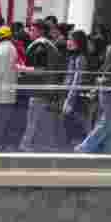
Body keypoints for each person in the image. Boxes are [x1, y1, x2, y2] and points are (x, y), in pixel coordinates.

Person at [19, 20, 64, 152]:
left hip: (39, 90)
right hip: (46, 89)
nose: (30, 33)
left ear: (40, 31)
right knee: (41, 121)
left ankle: (26, 145)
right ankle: (41, 146)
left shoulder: (41, 46)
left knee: (33, 120)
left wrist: (21, 68)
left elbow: (40, 70)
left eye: (32, 30)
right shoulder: (48, 45)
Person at [62, 30, 90, 149]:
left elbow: (77, 81)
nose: (68, 42)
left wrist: (69, 100)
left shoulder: (80, 58)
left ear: (78, 42)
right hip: (70, 94)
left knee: (76, 123)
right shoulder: (73, 56)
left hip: (75, 97)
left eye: (70, 39)